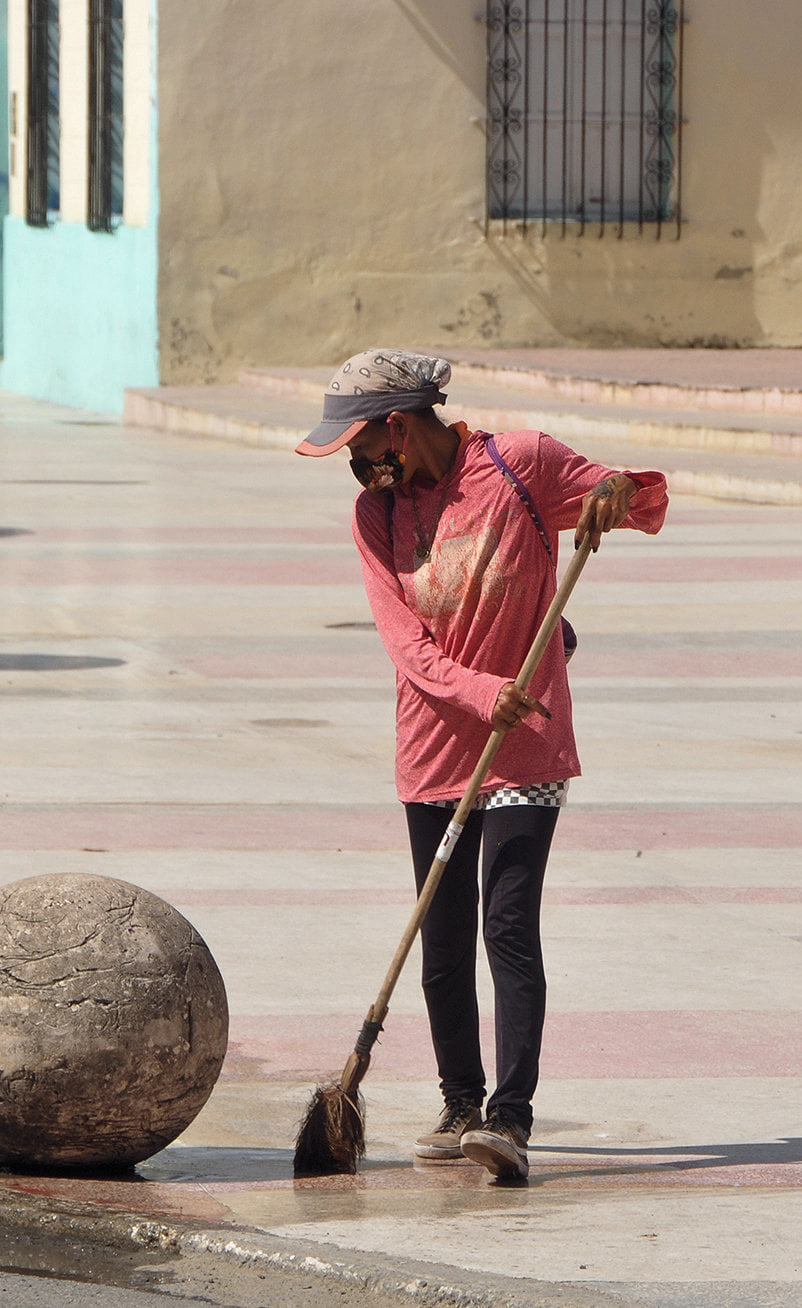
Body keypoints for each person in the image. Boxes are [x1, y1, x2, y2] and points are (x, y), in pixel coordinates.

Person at [296, 349, 667, 1182]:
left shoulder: (518, 464)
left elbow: (637, 496)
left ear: (398, 426)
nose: (355, 468)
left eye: (358, 447)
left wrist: (612, 491)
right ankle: (459, 1098)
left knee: (506, 925)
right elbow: (406, 646)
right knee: (443, 936)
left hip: (525, 739)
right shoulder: (376, 518)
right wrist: (477, 690)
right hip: (434, 746)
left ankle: (510, 1118)